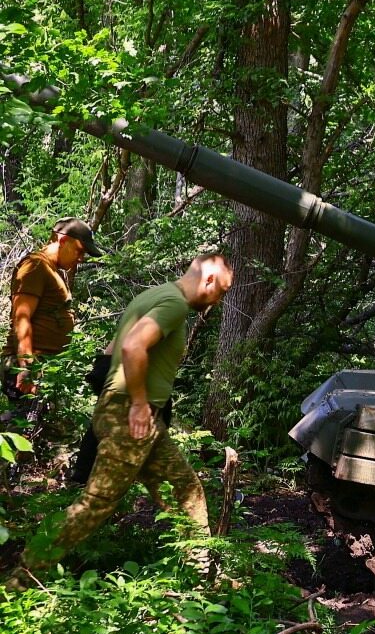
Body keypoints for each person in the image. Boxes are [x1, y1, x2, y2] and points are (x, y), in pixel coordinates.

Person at [7, 252, 234, 588]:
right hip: (132, 417)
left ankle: (202, 575)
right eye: (222, 292)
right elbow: (131, 347)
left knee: (186, 488)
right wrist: (139, 404)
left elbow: (111, 352)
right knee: (95, 504)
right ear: (209, 280)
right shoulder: (173, 303)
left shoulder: (154, 295)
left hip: (133, 417)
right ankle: (23, 576)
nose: (219, 300)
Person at [2, 219, 103, 450]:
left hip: (46, 367)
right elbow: (21, 318)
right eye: (80, 251)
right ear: (63, 240)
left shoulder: (52, 270)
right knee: (23, 435)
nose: (81, 258)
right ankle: (12, 481)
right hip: (30, 365)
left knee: (48, 437)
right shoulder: (35, 266)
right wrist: (26, 367)